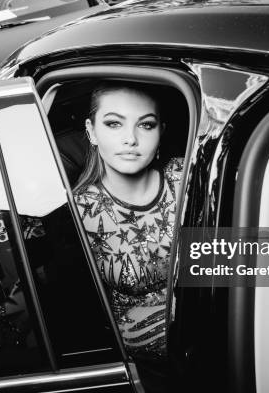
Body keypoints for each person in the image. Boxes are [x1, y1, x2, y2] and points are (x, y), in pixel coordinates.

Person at [74, 81, 183, 363]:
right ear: (91, 131)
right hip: (142, 370)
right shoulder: (79, 211)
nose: (131, 139)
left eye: (145, 125)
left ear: (161, 131)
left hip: (221, 334)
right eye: (114, 124)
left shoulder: (185, 177)